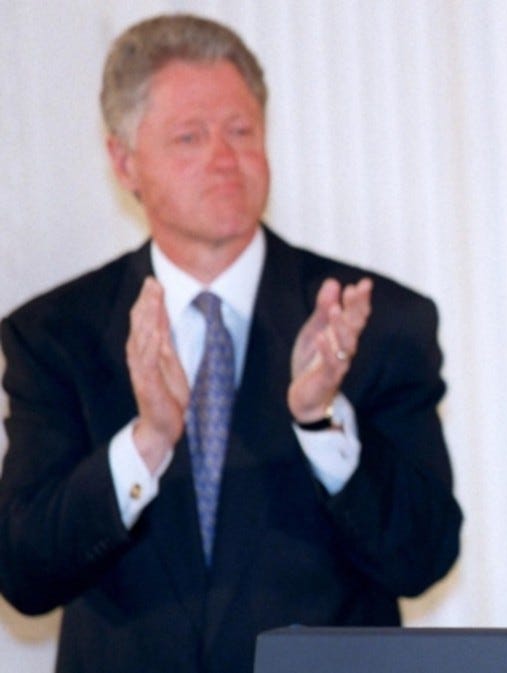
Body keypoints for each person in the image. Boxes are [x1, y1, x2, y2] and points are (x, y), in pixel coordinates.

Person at [0, 14, 462, 673]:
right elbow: (24, 573)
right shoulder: (55, 335)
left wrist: (321, 418)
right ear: (124, 160)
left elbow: (423, 556)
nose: (224, 159)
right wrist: (147, 441)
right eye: (190, 136)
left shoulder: (373, 324)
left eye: (242, 131)